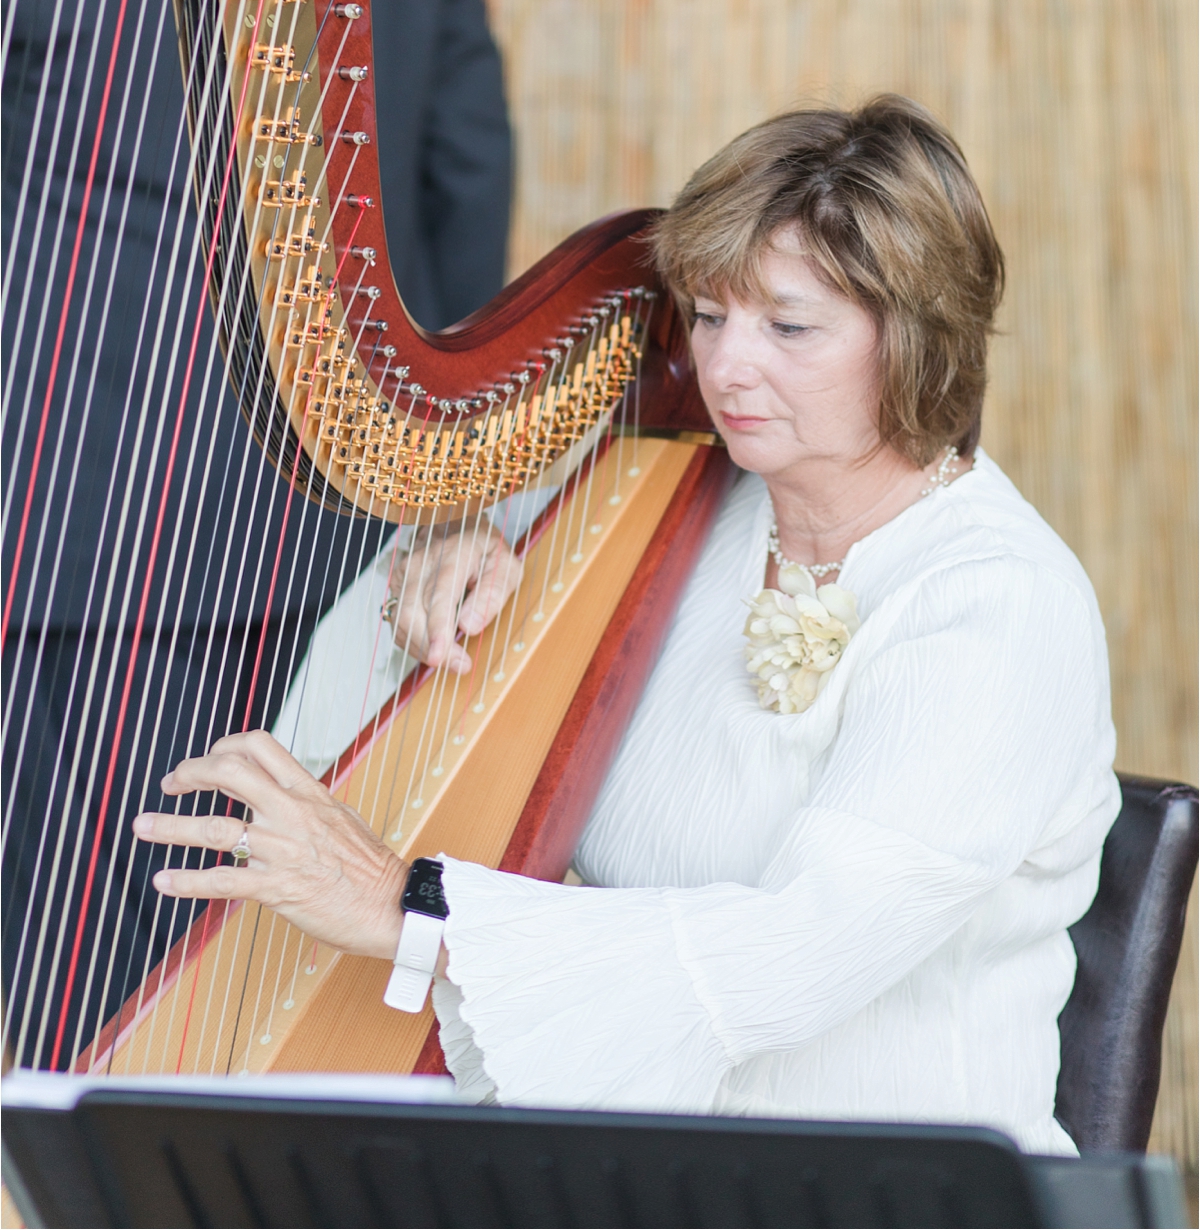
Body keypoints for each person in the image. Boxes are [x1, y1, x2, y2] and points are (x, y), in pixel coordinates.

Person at [132, 97, 1120, 1155]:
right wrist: (426, 598)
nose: (725, 367)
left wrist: (402, 900)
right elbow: (338, 743)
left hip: (877, 1189)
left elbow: (791, 956)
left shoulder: (998, 604)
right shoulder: (667, 506)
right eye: (705, 313)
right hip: (634, 1159)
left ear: (919, 337)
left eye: (787, 326)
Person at [1, 0, 512, 1064]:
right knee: (223, 994)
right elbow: (466, 205)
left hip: (49, 546)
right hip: (332, 560)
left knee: (43, 1002)